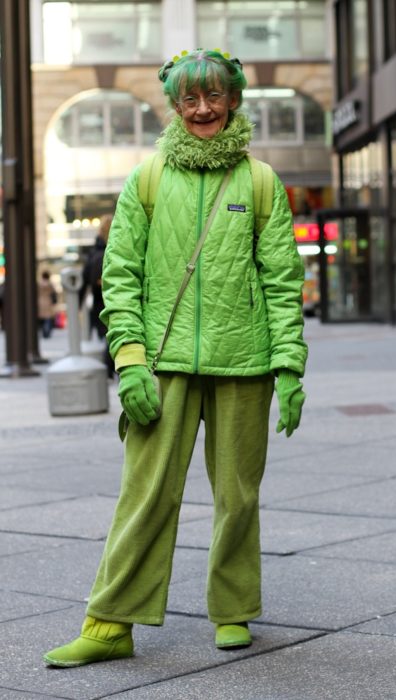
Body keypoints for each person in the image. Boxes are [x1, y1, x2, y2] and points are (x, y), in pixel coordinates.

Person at [43, 49, 307, 668]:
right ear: (174, 105)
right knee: (145, 493)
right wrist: (130, 359)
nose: (203, 109)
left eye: (214, 96)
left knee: (238, 495)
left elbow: (282, 280)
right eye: (189, 99)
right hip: (161, 363)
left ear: (234, 100)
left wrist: (290, 364)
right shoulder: (147, 180)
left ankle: (234, 610)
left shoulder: (262, 181)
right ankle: (110, 624)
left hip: (245, 361)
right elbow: (121, 275)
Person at [80, 214, 115, 377]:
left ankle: (109, 371)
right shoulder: (111, 252)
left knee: (108, 338)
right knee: (113, 338)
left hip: (99, 304)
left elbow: (84, 279)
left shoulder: (94, 253)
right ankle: (110, 370)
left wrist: (79, 305)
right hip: (111, 301)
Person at [37, 270, 57, 339]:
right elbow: (54, 293)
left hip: (40, 301)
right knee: (48, 318)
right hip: (48, 301)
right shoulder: (50, 284)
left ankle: (43, 331)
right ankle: (47, 331)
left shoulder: (39, 283)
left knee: (41, 318)